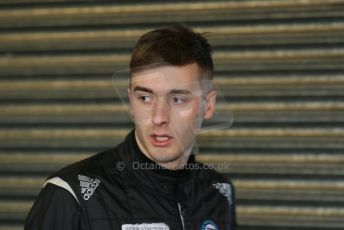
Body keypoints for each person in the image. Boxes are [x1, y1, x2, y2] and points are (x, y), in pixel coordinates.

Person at [25, 24, 237, 230]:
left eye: (178, 99)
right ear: (130, 102)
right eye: (145, 97)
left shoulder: (218, 193)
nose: (159, 117)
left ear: (208, 106)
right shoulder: (71, 194)